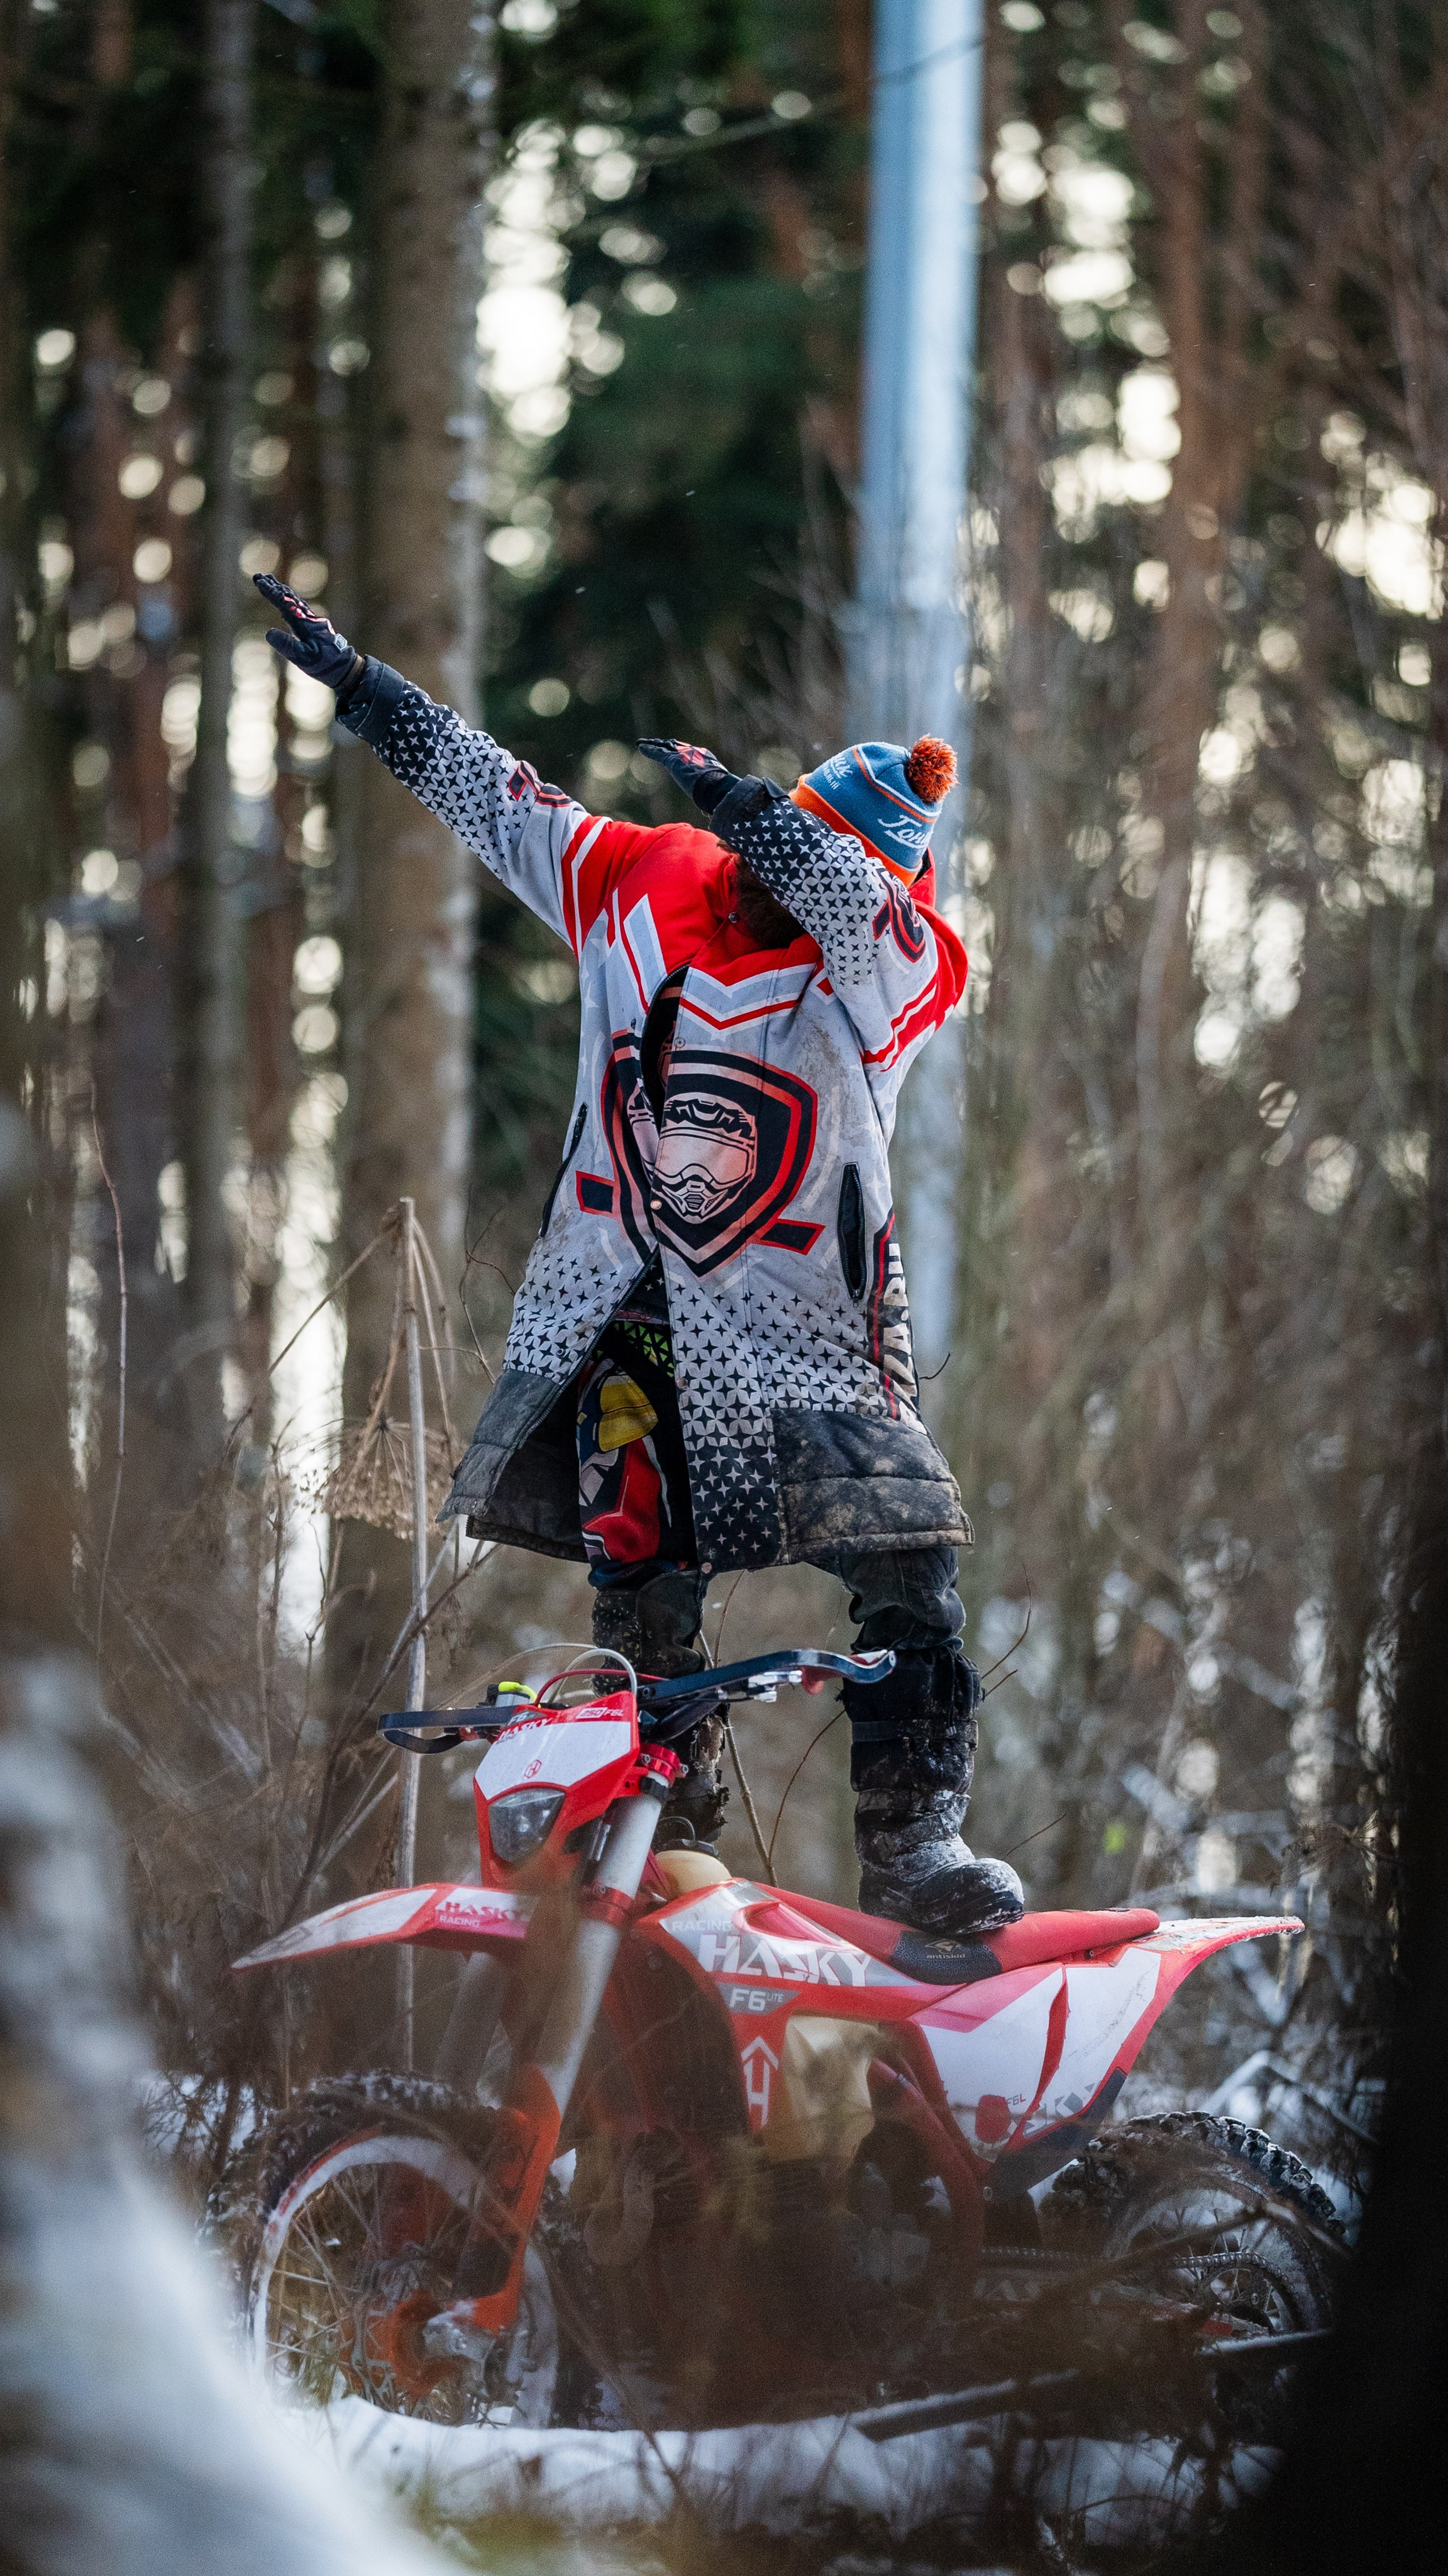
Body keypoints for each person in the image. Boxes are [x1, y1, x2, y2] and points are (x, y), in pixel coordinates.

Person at [258, 574, 1024, 1937]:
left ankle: (916, 1845)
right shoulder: (643, 878)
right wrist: (371, 693)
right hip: (626, 1310)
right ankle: (663, 1837)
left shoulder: (899, 967)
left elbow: (857, 906)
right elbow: (506, 804)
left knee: (911, 1564)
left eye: (820, 861)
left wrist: (759, 811)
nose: (797, 884)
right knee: (640, 1589)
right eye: (780, 850)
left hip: (818, 1337)